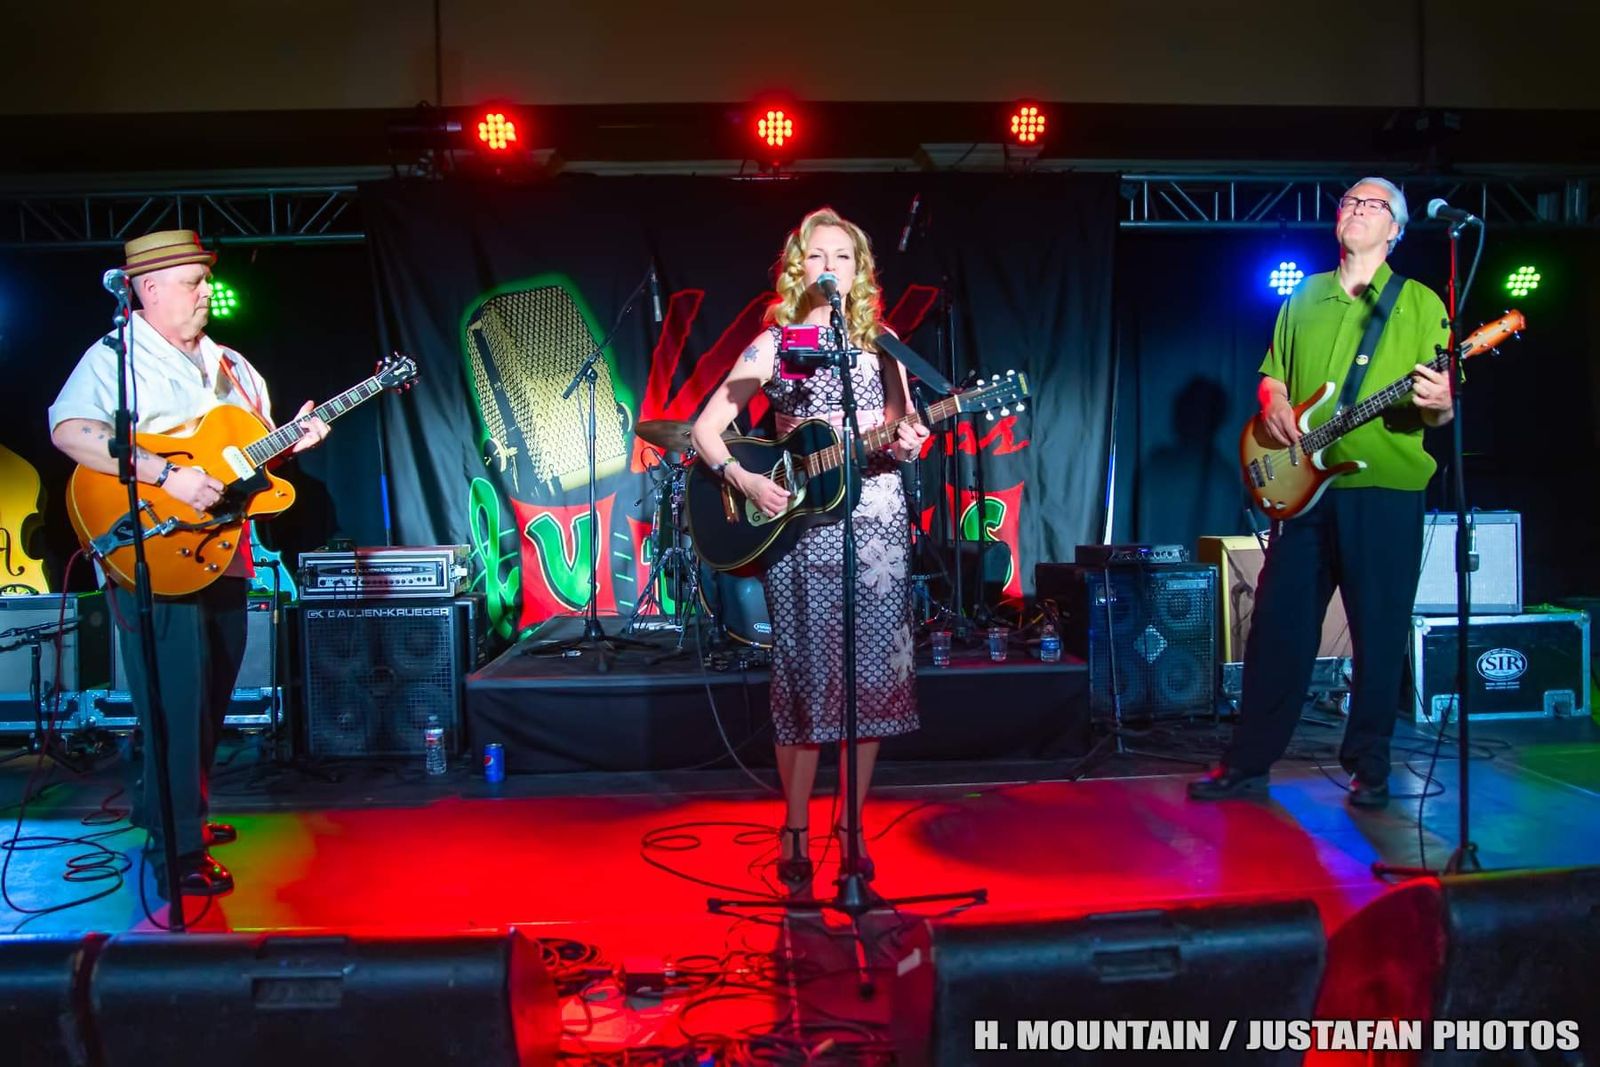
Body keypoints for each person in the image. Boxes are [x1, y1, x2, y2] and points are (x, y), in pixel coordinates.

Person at [49, 230, 329, 896]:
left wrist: (293, 443)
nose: (206, 292)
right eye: (192, 281)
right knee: (176, 697)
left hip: (222, 551)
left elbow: (245, 460)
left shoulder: (233, 366)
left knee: (211, 694)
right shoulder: (116, 357)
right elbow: (70, 429)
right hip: (151, 547)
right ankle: (177, 850)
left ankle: (174, 812)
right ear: (147, 289)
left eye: (206, 280)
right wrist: (166, 475)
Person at [1189, 178, 1455, 809]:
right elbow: (1272, 378)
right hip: (1304, 489)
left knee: (1379, 632)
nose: (1356, 210)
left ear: (1395, 230)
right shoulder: (1305, 295)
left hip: (1383, 487)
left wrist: (1442, 403)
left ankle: (1370, 767)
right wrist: (1274, 402)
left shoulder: (1420, 302)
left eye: (1373, 205)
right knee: (1278, 627)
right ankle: (1247, 763)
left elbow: (1440, 408)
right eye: (1349, 202)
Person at [691, 207, 930, 890]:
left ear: (860, 271)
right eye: (819, 256)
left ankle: (852, 827)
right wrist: (743, 478)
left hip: (877, 525)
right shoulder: (775, 344)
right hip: (802, 527)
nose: (832, 267)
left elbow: (901, 428)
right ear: (802, 268)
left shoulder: (884, 343)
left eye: (844, 257)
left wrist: (911, 440)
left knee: (872, 679)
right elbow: (707, 428)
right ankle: (794, 827)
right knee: (805, 678)